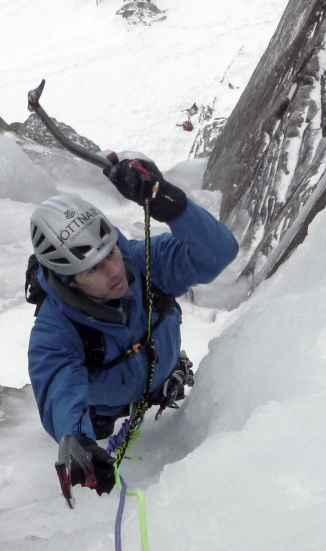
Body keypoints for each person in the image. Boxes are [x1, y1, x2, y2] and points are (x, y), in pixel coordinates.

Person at [27, 157, 239, 493]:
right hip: (105, 411)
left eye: (110, 252)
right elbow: (58, 389)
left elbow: (218, 252)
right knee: (95, 427)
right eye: (93, 269)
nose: (114, 271)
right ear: (70, 283)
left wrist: (167, 202)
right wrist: (76, 438)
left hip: (164, 379)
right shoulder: (56, 332)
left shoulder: (143, 264)